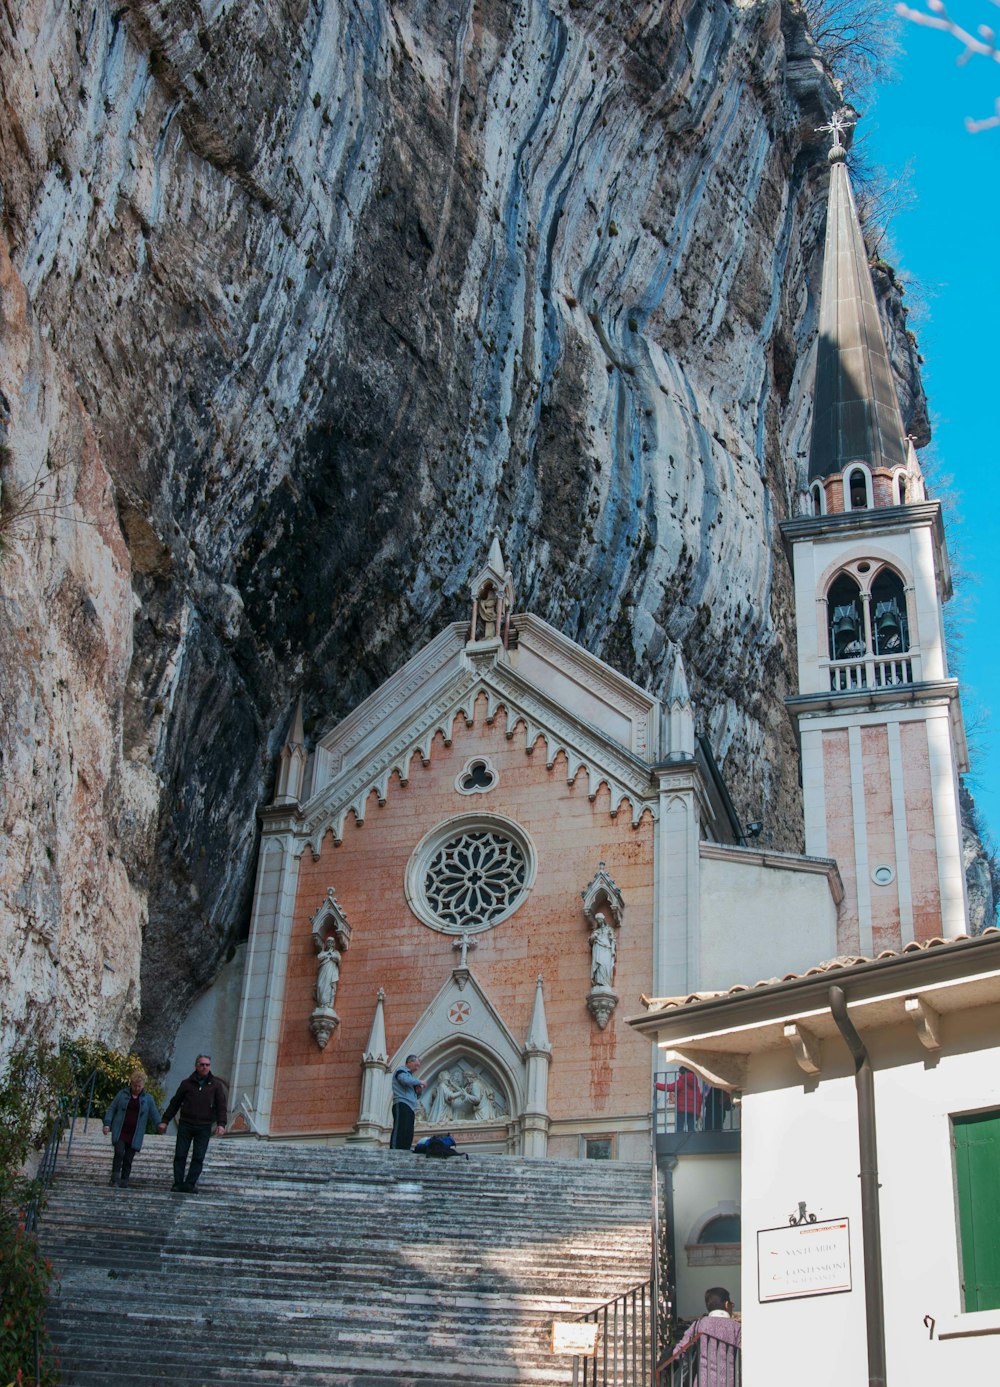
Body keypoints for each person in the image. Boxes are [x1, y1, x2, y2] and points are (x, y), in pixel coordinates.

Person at [157, 1053, 228, 1193]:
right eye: (202, 1064)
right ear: (196, 1066)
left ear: (210, 1067)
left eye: (207, 1065)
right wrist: (165, 1121)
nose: (204, 1067)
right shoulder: (186, 1084)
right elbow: (175, 1103)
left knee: (198, 1156)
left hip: (204, 1126)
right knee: (180, 1154)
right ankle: (178, 1183)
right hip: (186, 1124)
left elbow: (221, 1106)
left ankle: (190, 1183)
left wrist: (221, 1124)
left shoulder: (216, 1086)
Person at [661, 1287, 741, 1387]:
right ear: (726, 1304)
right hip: (730, 1382)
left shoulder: (698, 1325)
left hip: (703, 1382)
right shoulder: (736, 1328)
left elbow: (678, 1353)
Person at [102, 1070, 162, 1188]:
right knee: (119, 1153)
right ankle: (114, 1179)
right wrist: (107, 1123)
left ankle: (124, 1180)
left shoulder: (148, 1099)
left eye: (139, 1086)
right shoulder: (122, 1094)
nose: (137, 1088)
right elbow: (112, 1108)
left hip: (135, 1134)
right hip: (121, 1130)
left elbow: (154, 1113)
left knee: (128, 1158)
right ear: (131, 1083)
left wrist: (159, 1124)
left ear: (143, 1085)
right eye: (135, 1085)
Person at [389, 1054, 426, 1150]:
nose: (417, 1068)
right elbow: (404, 1080)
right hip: (401, 1103)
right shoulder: (401, 1070)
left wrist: (419, 1091)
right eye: (416, 1065)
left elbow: (416, 1096)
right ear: (409, 1062)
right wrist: (420, 1082)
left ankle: (405, 1149)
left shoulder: (411, 1078)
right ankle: (394, 1149)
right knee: (400, 1127)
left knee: (408, 1130)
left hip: (410, 1106)